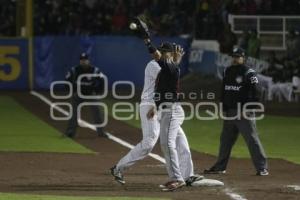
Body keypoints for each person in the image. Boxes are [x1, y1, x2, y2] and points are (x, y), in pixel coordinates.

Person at [110, 42, 202, 188]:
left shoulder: (168, 65)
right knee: (149, 141)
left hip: (162, 106)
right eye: (168, 52)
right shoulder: (154, 65)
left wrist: (175, 62)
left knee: (180, 139)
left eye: (169, 52)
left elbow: (169, 77)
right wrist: (176, 61)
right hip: (150, 105)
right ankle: (118, 168)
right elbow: (167, 75)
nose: (169, 55)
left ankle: (187, 175)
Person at [204, 47, 268, 176]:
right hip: (230, 112)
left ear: (244, 58)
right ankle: (220, 167)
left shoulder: (249, 73)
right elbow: (225, 90)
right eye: (233, 56)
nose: (235, 58)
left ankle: (262, 168)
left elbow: (258, 92)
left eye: (238, 56)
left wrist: (249, 109)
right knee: (225, 140)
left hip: (244, 113)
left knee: (252, 139)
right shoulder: (227, 71)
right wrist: (223, 108)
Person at [64, 53, 108, 138]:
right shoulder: (74, 70)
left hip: (91, 94)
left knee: (98, 112)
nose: (83, 62)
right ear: (80, 61)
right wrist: (72, 91)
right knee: (73, 113)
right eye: (82, 60)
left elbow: (103, 80)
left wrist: (98, 90)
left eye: (85, 60)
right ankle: (70, 132)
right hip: (79, 94)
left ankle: (101, 132)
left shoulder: (95, 70)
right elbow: (67, 80)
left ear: (88, 60)